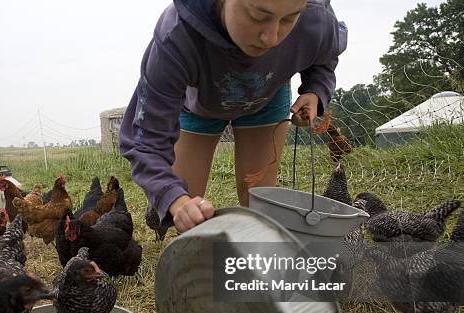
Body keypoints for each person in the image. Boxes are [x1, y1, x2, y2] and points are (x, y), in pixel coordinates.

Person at [120, 0, 347, 232]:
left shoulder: (315, 16)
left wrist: (315, 91)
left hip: (265, 99)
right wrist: (175, 200)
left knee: (258, 205)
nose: (272, 37)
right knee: (189, 205)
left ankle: (252, 261)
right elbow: (146, 142)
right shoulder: (177, 36)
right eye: (258, 16)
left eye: (289, 19)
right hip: (200, 106)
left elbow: (325, 55)